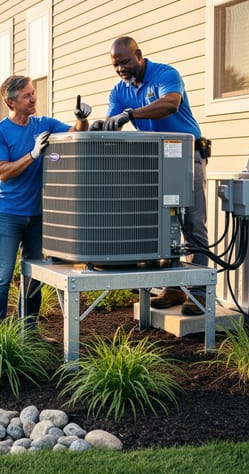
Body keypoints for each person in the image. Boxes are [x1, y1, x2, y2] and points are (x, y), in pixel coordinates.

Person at [94, 36, 210, 316]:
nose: (121, 69)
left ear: (138, 54)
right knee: (164, 224)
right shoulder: (119, 91)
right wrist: (103, 125)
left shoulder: (165, 74)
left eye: (124, 62)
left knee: (193, 222)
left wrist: (129, 114)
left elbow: (169, 104)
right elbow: (114, 123)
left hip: (186, 153)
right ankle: (172, 287)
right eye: (115, 65)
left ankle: (199, 292)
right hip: (154, 159)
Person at [0, 75, 91, 326]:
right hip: (8, 214)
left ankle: (28, 333)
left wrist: (82, 118)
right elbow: (3, 172)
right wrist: (32, 154)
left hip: (37, 215)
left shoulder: (44, 124)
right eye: (27, 95)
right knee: (2, 276)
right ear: (11, 102)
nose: (33, 98)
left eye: (33, 93)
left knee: (34, 276)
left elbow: (76, 133)